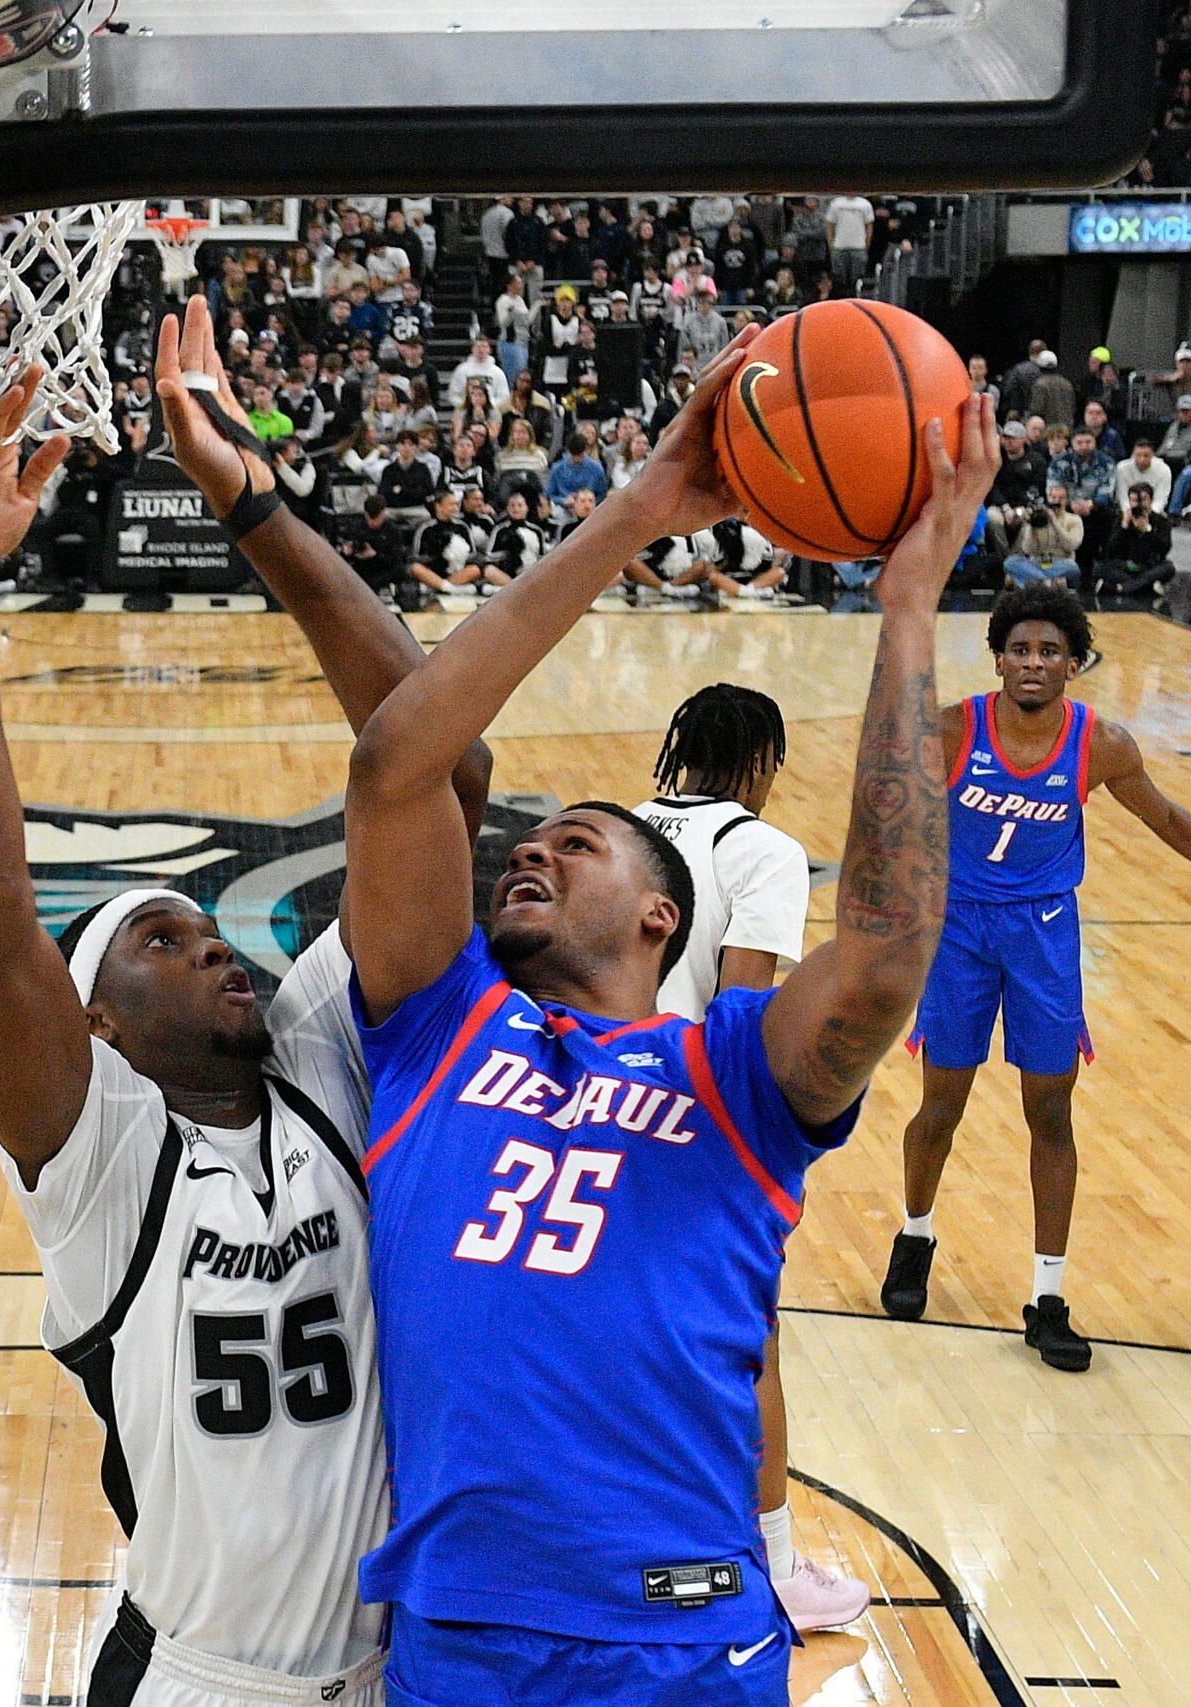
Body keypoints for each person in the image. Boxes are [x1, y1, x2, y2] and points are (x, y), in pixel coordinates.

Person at [342, 322, 996, 1703]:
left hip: (677, 1644)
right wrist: (640, 508)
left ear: (663, 913)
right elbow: (402, 759)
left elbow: (882, 953)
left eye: (579, 842)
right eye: (530, 840)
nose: (532, 849)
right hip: (456, 1635)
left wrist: (907, 611)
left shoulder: (736, 1073)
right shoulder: (436, 1031)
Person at [0, 318, 493, 1703]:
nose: (217, 944)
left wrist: (255, 507)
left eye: (211, 924)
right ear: (96, 1027)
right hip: (202, 1678)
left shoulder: (321, 1054)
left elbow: (443, 770)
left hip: (398, 1668)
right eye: (162, 940)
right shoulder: (100, 1160)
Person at [881, 585, 1191, 1373]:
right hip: (959, 928)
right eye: (1020, 649)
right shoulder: (953, 729)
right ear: (999, 659)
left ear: (1074, 664)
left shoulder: (1102, 743)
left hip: (1043, 931)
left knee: (1050, 1111)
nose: (1034, 662)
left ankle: (1048, 1296)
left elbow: (1170, 822)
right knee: (941, 1104)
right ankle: (914, 1235)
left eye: (1050, 651)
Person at [631, 686, 871, 1635]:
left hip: (575, 1107)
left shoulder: (615, 826)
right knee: (751, 1344)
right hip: (689, 1126)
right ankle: (772, 1565)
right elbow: (743, 1012)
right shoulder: (761, 850)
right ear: (763, 761)